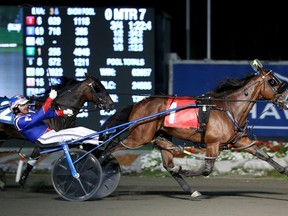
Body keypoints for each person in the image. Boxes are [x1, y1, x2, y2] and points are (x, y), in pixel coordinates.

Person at [10, 90, 99, 186]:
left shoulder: (28, 112)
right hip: (44, 139)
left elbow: (48, 114)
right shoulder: (19, 121)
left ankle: (99, 138)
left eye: (27, 103)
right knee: (73, 135)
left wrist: (63, 112)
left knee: (79, 129)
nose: (27, 105)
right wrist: (50, 98)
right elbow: (40, 115)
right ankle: (98, 141)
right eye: (23, 105)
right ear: (16, 108)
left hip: (51, 134)